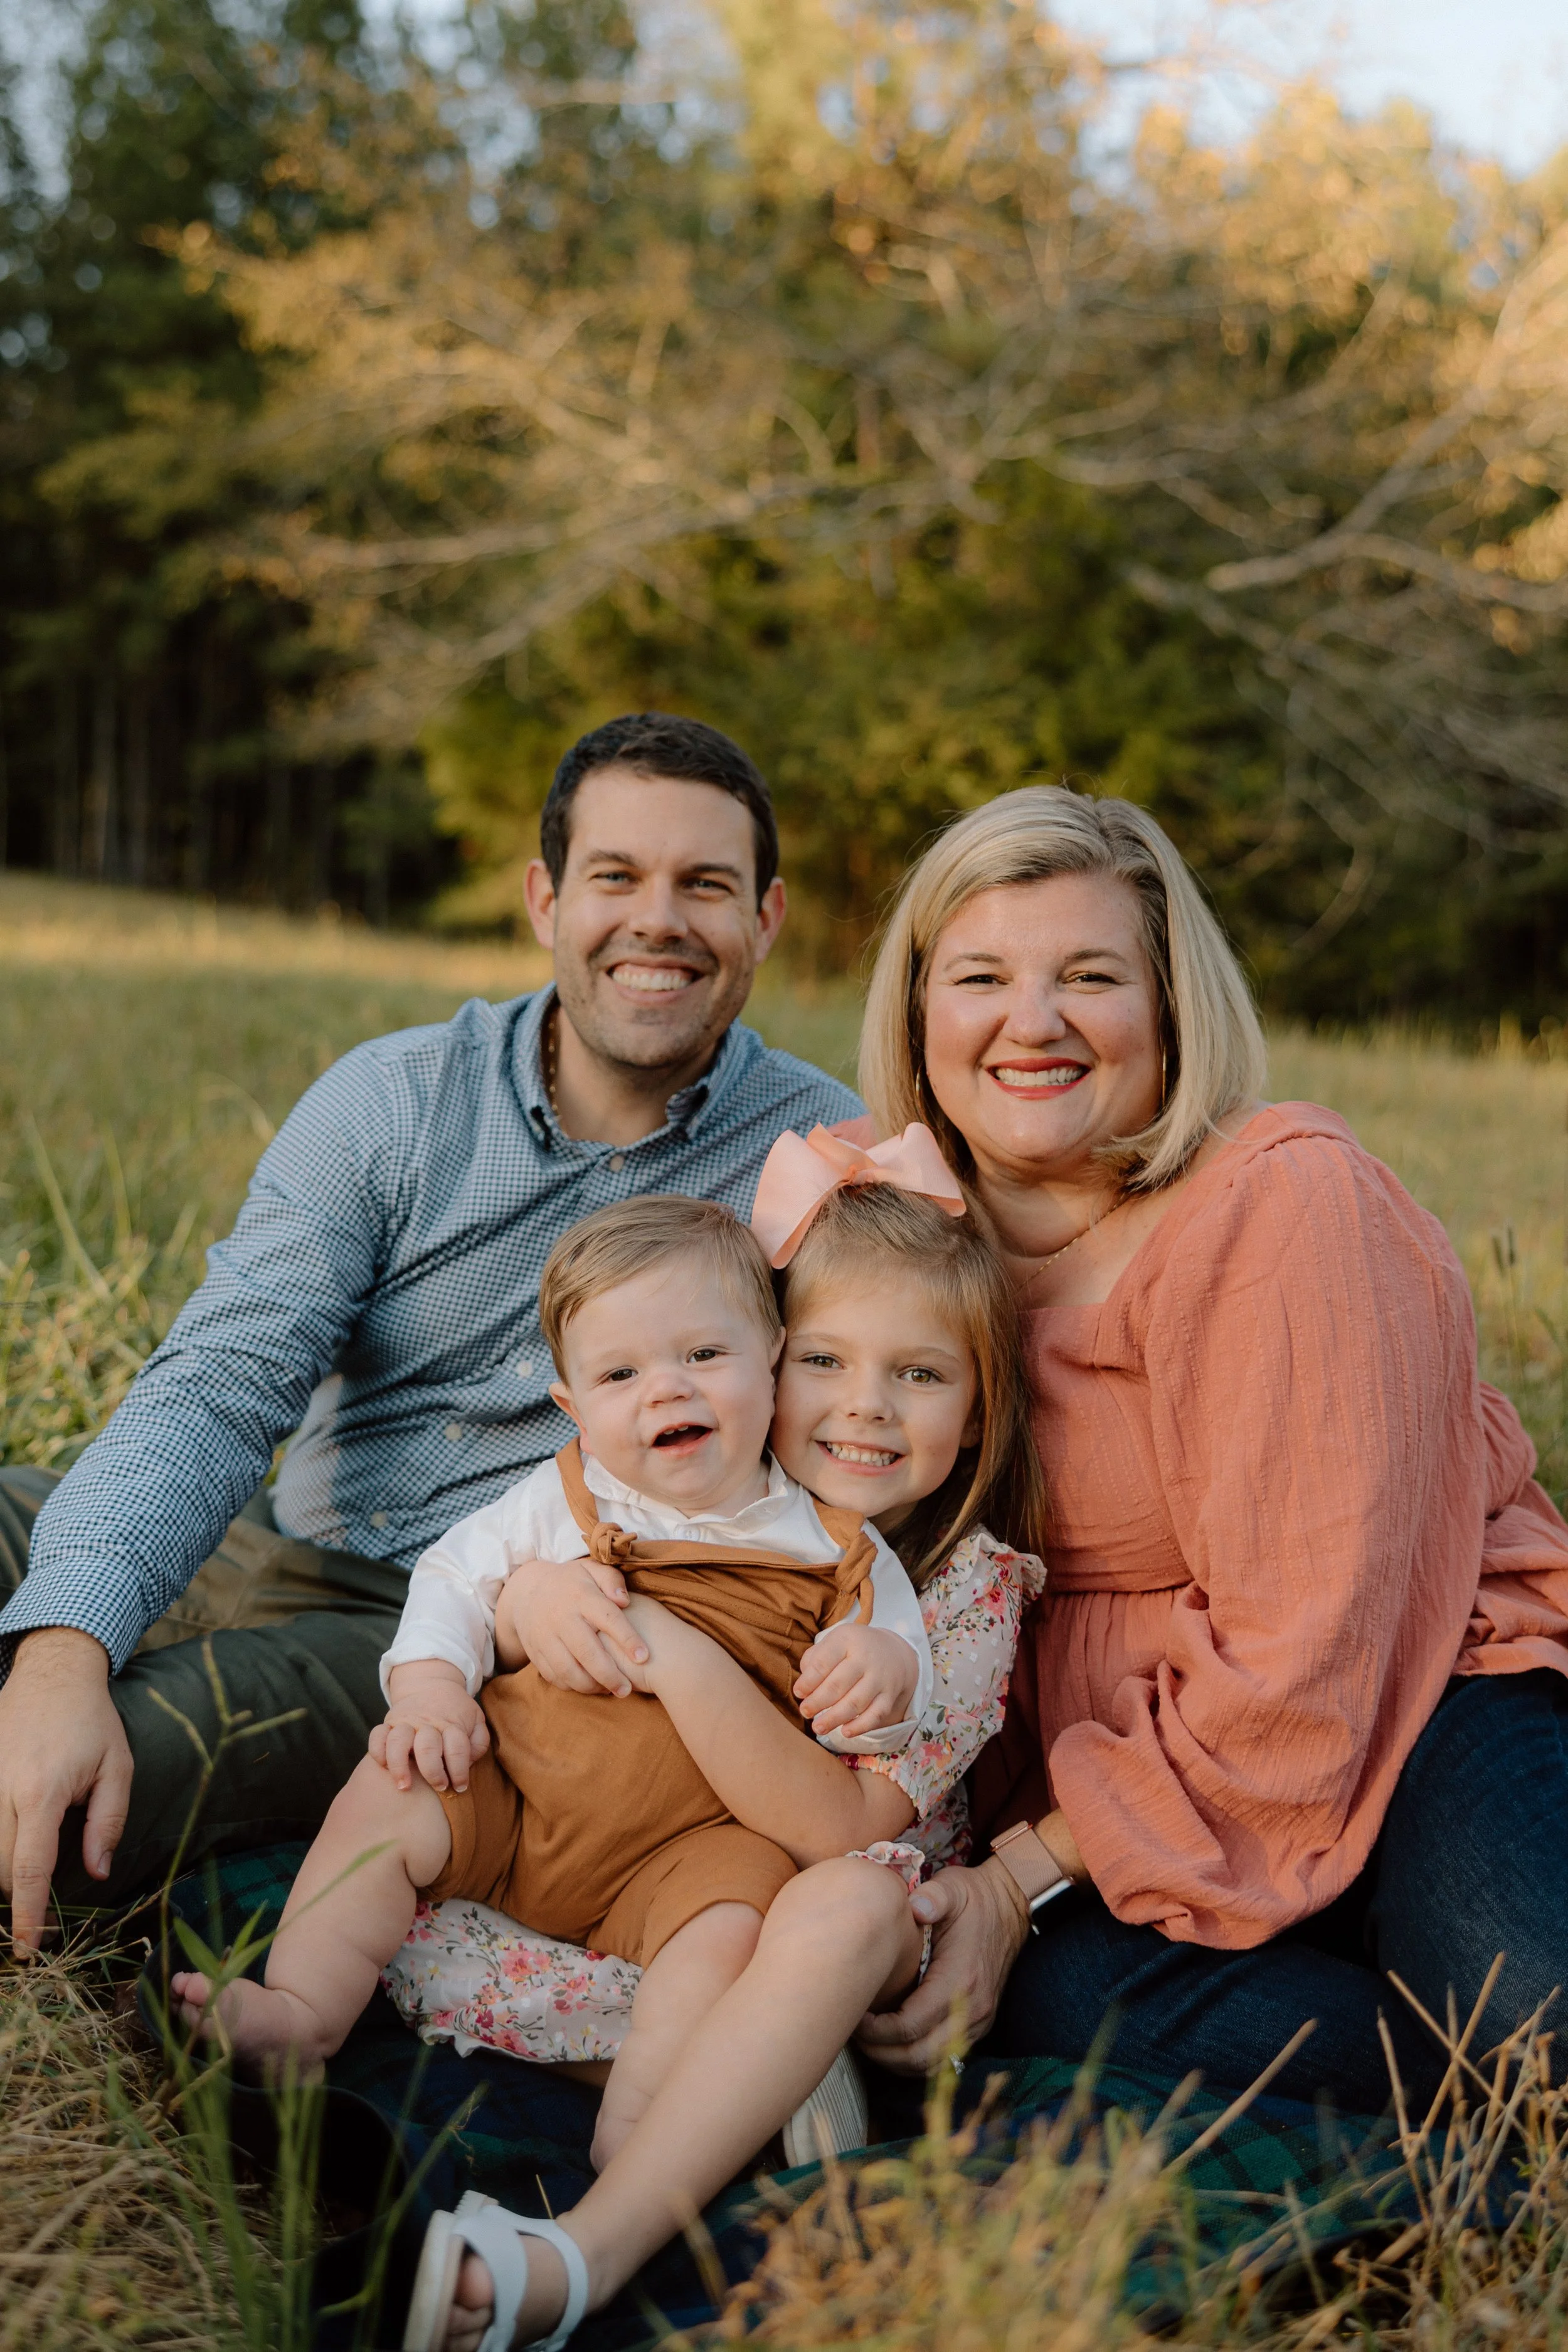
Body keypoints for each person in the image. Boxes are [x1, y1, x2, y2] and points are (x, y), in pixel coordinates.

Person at [0, 714, 861, 1952]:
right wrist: (61, 1651)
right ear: (543, 900)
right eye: (615, 877)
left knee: (89, 1778)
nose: (657, 920)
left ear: (765, 919)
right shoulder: (394, 1099)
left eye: (705, 886)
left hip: (439, 1630)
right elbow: (225, 1379)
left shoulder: (814, 1163)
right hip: (268, 1531)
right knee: (47, 1616)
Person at [178, 1149, 1046, 2352]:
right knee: (388, 1803)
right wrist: (474, 1643)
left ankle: (634, 2149)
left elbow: (873, 1718)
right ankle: (297, 2012)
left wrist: (881, 1675)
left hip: (712, 1861)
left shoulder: (858, 1553)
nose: (865, 1407)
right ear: (782, 1364)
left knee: (725, 1938)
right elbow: (461, 1576)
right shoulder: (588, 1485)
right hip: (532, 1798)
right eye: (827, 1363)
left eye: (919, 1375)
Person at [850, 785, 1568, 2117]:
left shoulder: (1280, 1209)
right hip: (1132, 1806)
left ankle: (1476, 2043)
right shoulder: (882, 1245)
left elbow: (1313, 1664)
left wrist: (1014, 1882)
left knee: (1534, 2011)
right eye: (981, 977)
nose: (1033, 1021)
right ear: (915, 1013)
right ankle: (1441, 2077)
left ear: (1168, 1006)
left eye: (1087, 975)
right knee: (1047, 2003)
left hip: (1408, 1712)